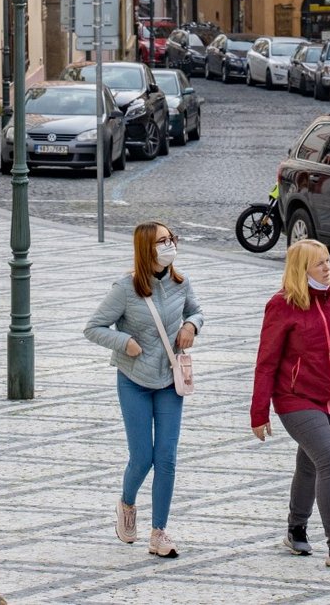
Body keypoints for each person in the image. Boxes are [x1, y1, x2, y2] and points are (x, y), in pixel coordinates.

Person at [84, 221, 202, 558]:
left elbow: (197, 311)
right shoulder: (125, 288)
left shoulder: (181, 282)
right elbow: (93, 327)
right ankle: (127, 503)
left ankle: (159, 533)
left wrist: (192, 325)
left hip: (169, 380)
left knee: (166, 458)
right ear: (146, 249)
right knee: (143, 456)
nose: (170, 245)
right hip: (134, 380)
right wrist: (125, 342)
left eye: (171, 239)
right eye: (162, 241)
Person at [250, 239, 330, 569]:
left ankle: (295, 528)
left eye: (328, 260)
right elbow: (266, 362)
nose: (327, 267)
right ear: (302, 268)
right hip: (295, 398)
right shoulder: (282, 304)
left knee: (310, 463)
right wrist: (259, 412)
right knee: (329, 459)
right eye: (319, 263)